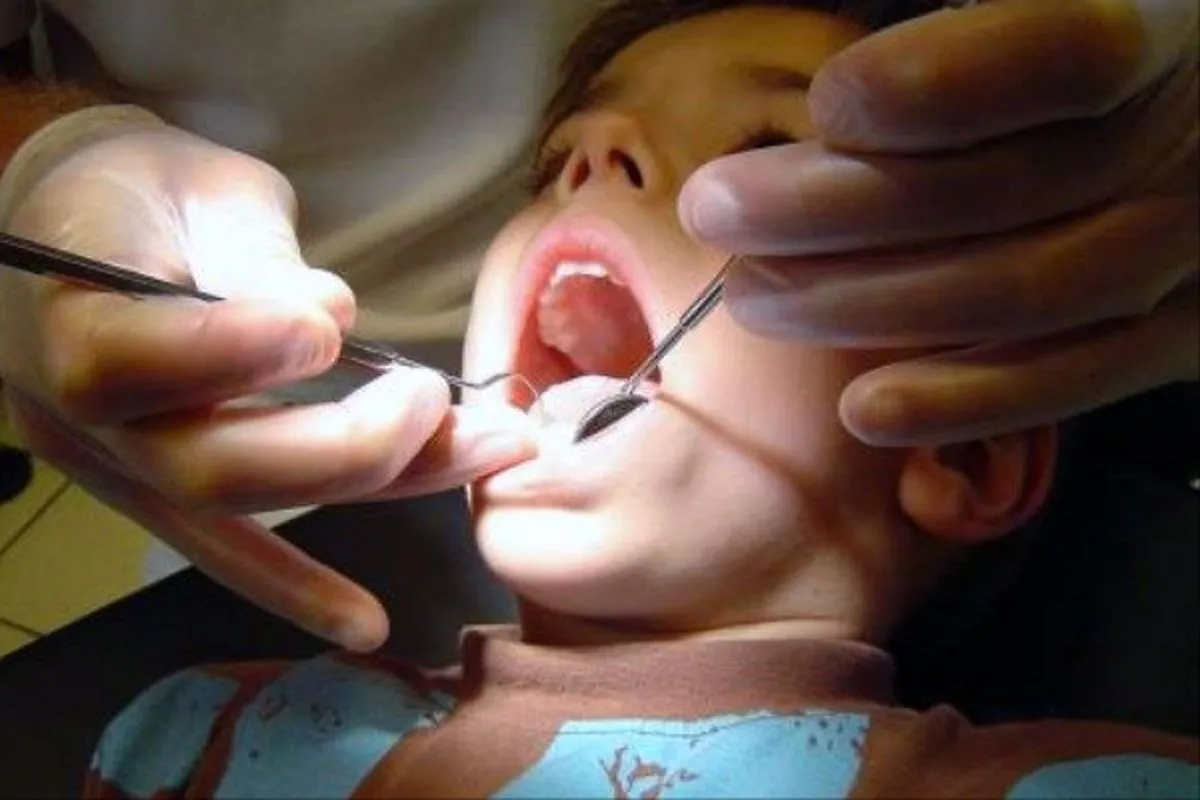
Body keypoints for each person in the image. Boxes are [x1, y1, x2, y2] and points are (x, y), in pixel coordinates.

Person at [83, 4, 1198, 796]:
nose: (593, 153)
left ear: (963, 449)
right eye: (557, 157)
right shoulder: (205, 733)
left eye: (771, 152)